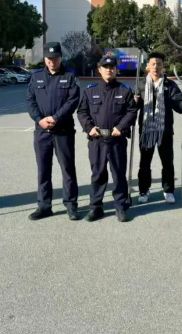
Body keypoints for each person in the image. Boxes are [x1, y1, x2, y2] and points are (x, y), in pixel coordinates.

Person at [77, 55, 138, 222]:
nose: (109, 70)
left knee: (118, 174)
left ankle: (120, 206)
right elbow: (82, 112)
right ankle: (96, 207)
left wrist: (121, 127)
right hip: (97, 140)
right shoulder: (90, 91)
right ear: (100, 70)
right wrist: (89, 128)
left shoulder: (124, 91)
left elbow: (132, 111)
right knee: (98, 174)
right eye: (105, 67)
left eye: (112, 67)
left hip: (116, 139)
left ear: (116, 70)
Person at [26, 42, 81, 221]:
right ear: (44, 59)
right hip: (42, 131)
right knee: (43, 170)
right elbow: (30, 101)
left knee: (67, 168)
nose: (52, 61)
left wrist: (56, 118)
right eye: (49, 58)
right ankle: (44, 206)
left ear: (60, 58)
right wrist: (39, 120)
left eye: (55, 58)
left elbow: (73, 100)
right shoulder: (36, 77)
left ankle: (71, 205)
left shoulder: (70, 76)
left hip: (63, 131)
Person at [133, 52, 182, 204]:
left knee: (167, 162)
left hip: (164, 130)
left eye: (159, 64)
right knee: (144, 163)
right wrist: (134, 101)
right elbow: (134, 107)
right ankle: (144, 190)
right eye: (153, 64)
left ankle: (168, 190)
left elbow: (178, 105)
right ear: (148, 66)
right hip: (146, 131)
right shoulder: (141, 84)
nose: (156, 67)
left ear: (163, 66)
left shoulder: (169, 85)